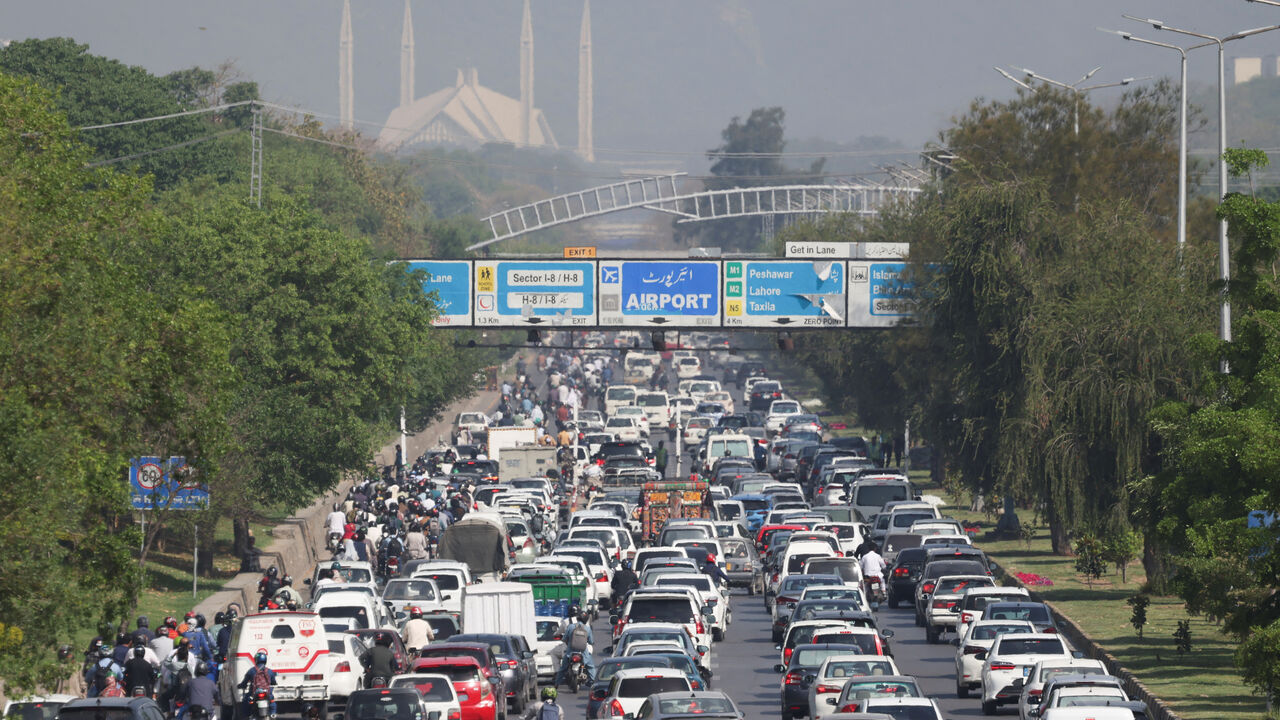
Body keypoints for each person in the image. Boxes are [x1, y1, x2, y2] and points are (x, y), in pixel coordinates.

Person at [556, 611, 594, 687]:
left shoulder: (570, 627)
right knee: (591, 666)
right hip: (583, 653)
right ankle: (593, 682)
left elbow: (564, 639)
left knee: (562, 669)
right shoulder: (587, 629)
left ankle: (557, 683)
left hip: (570, 652)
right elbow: (591, 641)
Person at [237, 651, 276, 719]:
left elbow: (244, 682)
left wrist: (241, 685)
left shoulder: (251, 671)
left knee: (246, 701)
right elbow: (273, 682)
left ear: (256, 660)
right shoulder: (269, 671)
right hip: (267, 692)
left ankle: (248, 715)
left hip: (255, 692)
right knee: (272, 700)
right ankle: (273, 713)